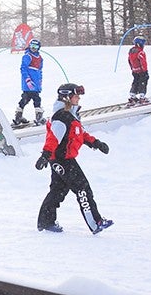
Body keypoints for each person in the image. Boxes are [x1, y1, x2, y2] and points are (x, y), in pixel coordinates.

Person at [34, 83, 112, 234]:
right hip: (61, 159)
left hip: (65, 158)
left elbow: (80, 134)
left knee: (58, 190)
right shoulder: (61, 117)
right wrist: (45, 156)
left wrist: (96, 143)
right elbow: (53, 139)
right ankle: (96, 223)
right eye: (76, 96)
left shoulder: (71, 115)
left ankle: (46, 222)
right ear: (67, 98)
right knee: (82, 188)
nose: (78, 99)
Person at [12, 39, 46, 129]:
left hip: (36, 83)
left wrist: (40, 81)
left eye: (36, 47)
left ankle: (19, 116)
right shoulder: (27, 56)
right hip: (29, 83)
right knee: (35, 99)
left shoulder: (40, 58)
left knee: (26, 99)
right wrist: (27, 80)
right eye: (32, 46)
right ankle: (37, 116)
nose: (33, 48)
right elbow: (23, 69)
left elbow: (40, 70)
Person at [126, 36, 149, 106]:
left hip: (134, 70)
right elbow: (143, 62)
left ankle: (132, 95)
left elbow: (129, 60)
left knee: (135, 82)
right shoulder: (140, 52)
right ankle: (142, 97)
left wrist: (132, 68)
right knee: (143, 82)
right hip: (141, 70)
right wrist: (145, 70)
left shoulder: (131, 51)